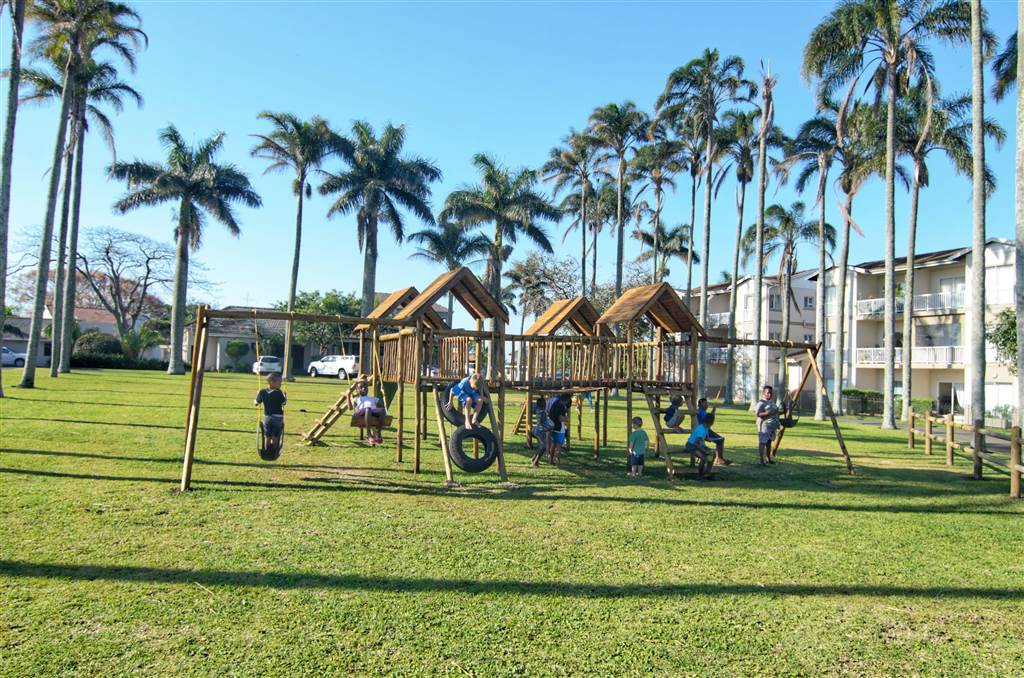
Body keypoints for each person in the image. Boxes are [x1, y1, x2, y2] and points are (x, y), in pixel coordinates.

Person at [254, 373, 287, 453]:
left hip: (267, 417)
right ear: (271, 382)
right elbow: (284, 403)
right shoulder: (279, 392)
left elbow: (256, 403)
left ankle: (266, 451)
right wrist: (285, 396)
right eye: (279, 382)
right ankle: (274, 452)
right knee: (275, 436)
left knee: (267, 435)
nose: (280, 384)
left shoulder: (262, 392)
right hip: (278, 417)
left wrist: (257, 395)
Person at [349, 380, 387, 445]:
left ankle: (378, 433)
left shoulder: (373, 398)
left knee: (382, 410)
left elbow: (382, 407)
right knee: (368, 408)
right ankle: (369, 434)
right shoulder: (357, 399)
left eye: (365, 387)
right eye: (361, 387)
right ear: (357, 390)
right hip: (361, 413)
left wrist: (383, 394)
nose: (364, 388)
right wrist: (348, 396)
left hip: (371, 412)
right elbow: (350, 408)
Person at [696, 397, 732, 466]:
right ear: (699, 404)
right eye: (705, 403)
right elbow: (709, 419)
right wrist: (713, 411)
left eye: (707, 403)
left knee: (721, 439)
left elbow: (709, 417)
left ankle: (719, 459)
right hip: (704, 432)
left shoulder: (702, 411)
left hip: (706, 430)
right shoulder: (700, 412)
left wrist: (713, 410)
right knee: (720, 440)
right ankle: (719, 459)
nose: (706, 405)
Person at [683, 412, 716, 479]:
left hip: (699, 445)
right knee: (703, 457)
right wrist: (704, 450)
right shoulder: (701, 430)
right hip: (691, 446)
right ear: (711, 422)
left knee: (713, 454)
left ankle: (707, 473)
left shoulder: (705, 427)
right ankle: (700, 475)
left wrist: (708, 439)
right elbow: (695, 443)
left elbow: (703, 437)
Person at [755, 385, 781, 465]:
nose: (770, 394)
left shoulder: (772, 403)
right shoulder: (761, 403)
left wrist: (783, 411)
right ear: (763, 393)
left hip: (771, 426)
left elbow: (775, 413)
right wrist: (767, 413)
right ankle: (761, 460)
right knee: (762, 442)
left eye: (771, 393)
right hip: (764, 426)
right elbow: (757, 414)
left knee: (769, 442)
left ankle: (768, 459)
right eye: (768, 393)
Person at [546, 393, 572, 465]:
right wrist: (566, 419)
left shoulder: (555, 402)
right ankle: (558, 461)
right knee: (559, 445)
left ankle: (551, 460)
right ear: (566, 400)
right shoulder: (560, 406)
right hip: (559, 428)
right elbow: (560, 418)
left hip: (552, 426)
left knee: (553, 444)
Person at [530, 396, 552, 466]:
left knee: (541, 446)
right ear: (542, 405)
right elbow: (542, 422)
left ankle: (534, 459)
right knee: (543, 447)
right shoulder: (542, 412)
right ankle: (535, 462)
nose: (546, 404)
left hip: (537, 430)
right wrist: (548, 426)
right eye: (544, 403)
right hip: (540, 431)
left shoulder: (538, 409)